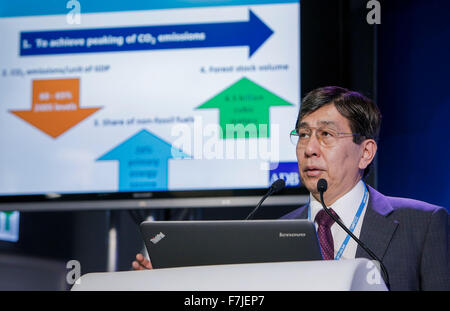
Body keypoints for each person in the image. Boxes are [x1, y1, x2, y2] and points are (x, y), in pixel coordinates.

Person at [132, 86, 449, 291]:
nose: (309, 149)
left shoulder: (422, 225)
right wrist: (165, 283)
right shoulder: (269, 235)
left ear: (365, 152)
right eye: (302, 135)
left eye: (326, 135)